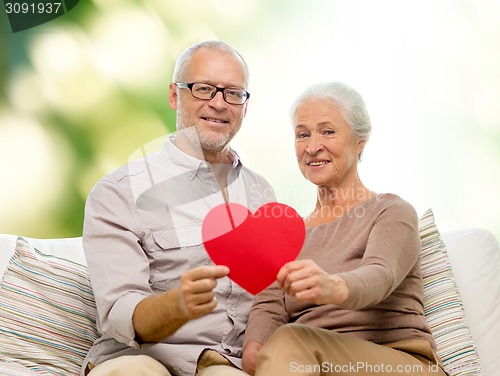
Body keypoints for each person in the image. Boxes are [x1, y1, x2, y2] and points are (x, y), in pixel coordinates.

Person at [200, 82, 448, 376]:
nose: (313, 146)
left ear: (360, 142)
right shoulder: (288, 234)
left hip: (398, 361)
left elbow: (381, 274)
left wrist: (334, 286)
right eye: (302, 134)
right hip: (307, 364)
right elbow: (269, 306)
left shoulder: (392, 211)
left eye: (327, 131)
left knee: (291, 341)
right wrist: (254, 347)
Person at [81, 40, 275, 376]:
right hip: (140, 358)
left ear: (245, 106)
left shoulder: (262, 193)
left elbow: (272, 301)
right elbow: (119, 313)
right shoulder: (118, 193)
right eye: (203, 89)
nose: (219, 103)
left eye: (233, 93)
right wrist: (176, 306)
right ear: (174, 95)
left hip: (224, 363)